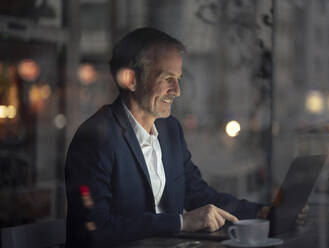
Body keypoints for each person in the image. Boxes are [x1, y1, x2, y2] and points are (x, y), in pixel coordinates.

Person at [65, 27, 268, 248]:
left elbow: (200, 195)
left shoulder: (170, 130)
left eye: (178, 78)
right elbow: (94, 230)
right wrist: (180, 222)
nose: (177, 90)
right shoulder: (94, 138)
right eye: (167, 78)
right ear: (131, 79)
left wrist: (263, 212)